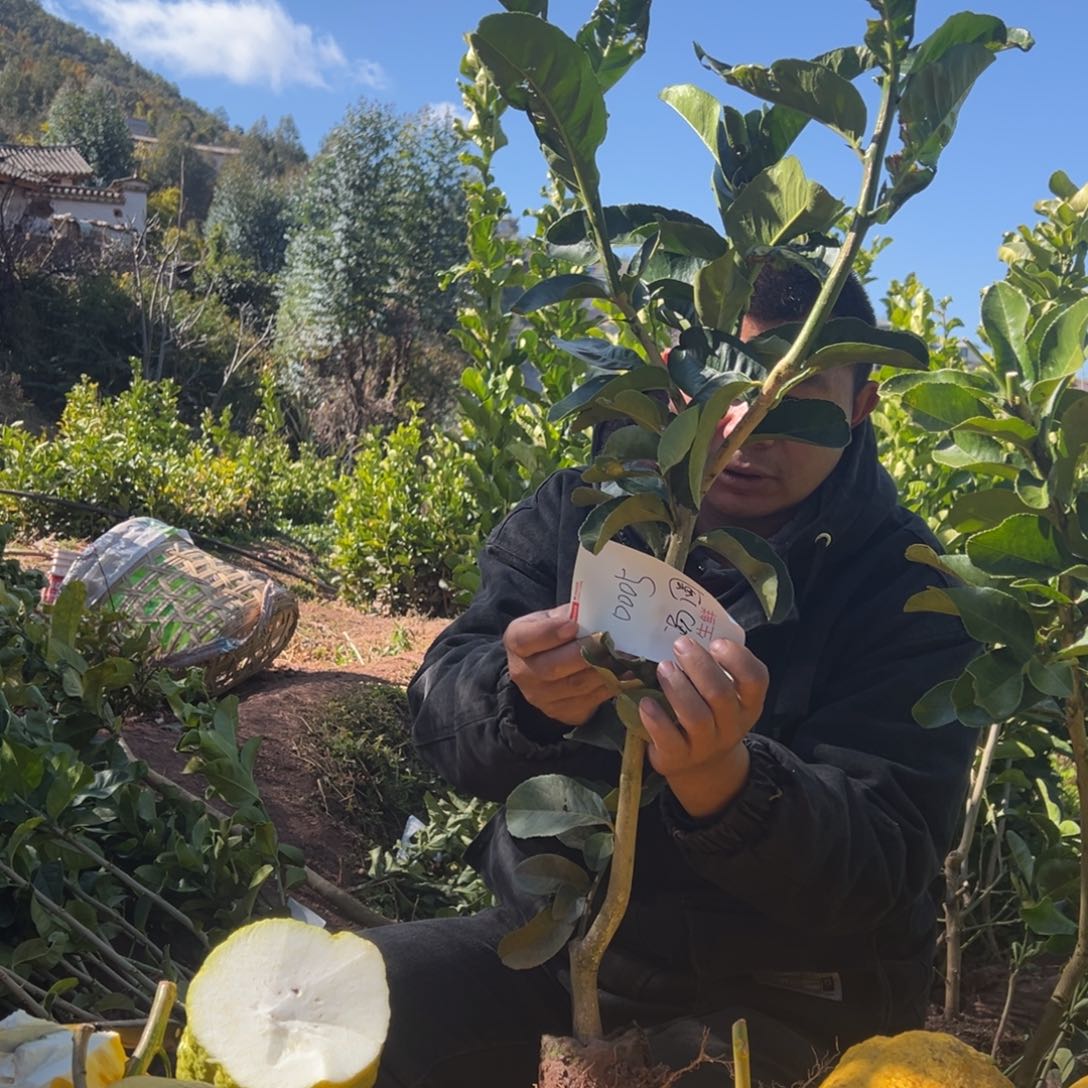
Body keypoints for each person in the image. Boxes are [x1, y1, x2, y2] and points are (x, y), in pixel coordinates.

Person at [367, 263, 980, 1087]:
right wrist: (522, 703)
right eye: (723, 382)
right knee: (358, 999)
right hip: (559, 954)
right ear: (671, 376)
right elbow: (439, 716)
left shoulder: (908, 588)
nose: (749, 427)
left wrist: (729, 787)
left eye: (798, 398)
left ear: (862, 405)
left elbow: (887, 861)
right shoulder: (582, 510)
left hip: (786, 997)